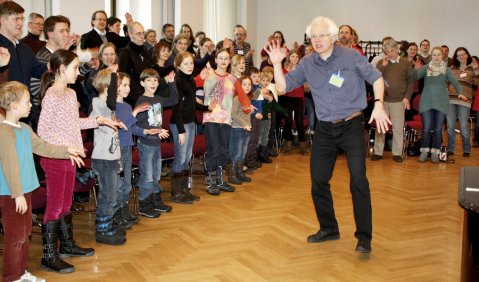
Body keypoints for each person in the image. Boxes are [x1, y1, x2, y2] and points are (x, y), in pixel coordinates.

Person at [265, 16, 390, 253]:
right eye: (313, 36)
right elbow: (282, 87)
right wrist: (277, 64)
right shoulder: (307, 62)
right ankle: (329, 228)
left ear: (332, 37)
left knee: (358, 180)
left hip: (352, 124)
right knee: (318, 181)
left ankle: (364, 237)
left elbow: (376, 78)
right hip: (324, 128)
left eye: (322, 35)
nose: (317, 40)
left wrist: (380, 104)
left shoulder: (351, 56)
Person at [37, 49, 116, 273]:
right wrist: (65, 150)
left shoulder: (71, 94)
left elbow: (74, 124)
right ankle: (48, 256)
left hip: (71, 157)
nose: (77, 73)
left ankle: (67, 245)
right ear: (61, 70)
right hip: (55, 158)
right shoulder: (51, 95)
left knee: (65, 204)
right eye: (73, 68)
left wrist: (98, 120)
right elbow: (42, 132)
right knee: (54, 206)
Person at [0, 81, 85, 282]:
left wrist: (66, 150)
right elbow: (10, 166)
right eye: (27, 101)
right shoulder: (4, 132)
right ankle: (11, 276)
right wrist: (17, 194)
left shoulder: (24, 128)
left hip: (24, 190)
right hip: (12, 193)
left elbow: (43, 147)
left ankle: (21, 273)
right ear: (14, 106)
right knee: (15, 236)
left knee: (25, 232)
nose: (31, 105)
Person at [201, 48, 252, 195]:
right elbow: (191, 84)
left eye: (226, 59)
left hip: (226, 119)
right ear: (215, 60)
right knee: (213, 150)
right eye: (220, 58)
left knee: (224, 150)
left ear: (229, 61)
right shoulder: (208, 75)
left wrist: (247, 107)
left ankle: (220, 180)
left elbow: (242, 95)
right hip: (211, 118)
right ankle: (210, 182)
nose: (223, 61)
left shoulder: (233, 79)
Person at [135, 68, 178, 218]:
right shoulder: (142, 101)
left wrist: (172, 83)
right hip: (146, 143)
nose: (153, 83)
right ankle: (144, 204)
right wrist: (155, 130)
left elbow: (174, 100)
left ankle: (155, 200)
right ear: (142, 83)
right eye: (149, 80)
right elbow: (138, 124)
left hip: (156, 144)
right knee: (147, 175)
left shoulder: (158, 99)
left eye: (155, 80)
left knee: (155, 174)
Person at [170, 52, 211, 203]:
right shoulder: (178, 80)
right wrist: (180, 130)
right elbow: (176, 106)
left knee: (187, 157)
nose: (189, 66)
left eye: (191, 63)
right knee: (180, 157)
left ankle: (184, 190)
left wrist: (206, 107)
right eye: (186, 63)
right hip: (180, 124)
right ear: (178, 65)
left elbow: (192, 103)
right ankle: (176, 193)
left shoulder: (190, 80)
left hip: (190, 122)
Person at [413, 46, 463, 163]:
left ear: (442, 56)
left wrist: (460, 93)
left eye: (439, 55)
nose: (436, 57)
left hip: (441, 102)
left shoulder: (446, 70)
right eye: (434, 54)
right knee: (426, 129)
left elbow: (456, 83)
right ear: (431, 56)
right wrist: (416, 69)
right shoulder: (426, 68)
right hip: (426, 102)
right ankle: (424, 151)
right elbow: (415, 77)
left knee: (437, 129)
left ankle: (435, 152)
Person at [371, 39, 413, 162]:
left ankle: (397, 153)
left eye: (392, 50)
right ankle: (378, 152)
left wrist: (407, 97)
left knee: (398, 128)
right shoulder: (381, 63)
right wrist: (383, 66)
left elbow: (410, 82)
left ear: (397, 50)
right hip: (383, 100)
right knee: (381, 127)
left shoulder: (405, 63)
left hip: (399, 100)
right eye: (387, 51)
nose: (390, 53)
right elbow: (375, 78)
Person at [446, 47, 476, 157]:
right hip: (451, 100)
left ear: (467, 55)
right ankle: (450, 149)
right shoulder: (451, 68)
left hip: (465, 102)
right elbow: (445, 82)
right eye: (459, 55)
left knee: (464, 127)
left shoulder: (472, 69)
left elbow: (477, 82)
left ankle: (467, 149)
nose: (461, 56)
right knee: (450, 126)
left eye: (463, 54)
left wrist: (476, 70)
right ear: (456, 57)